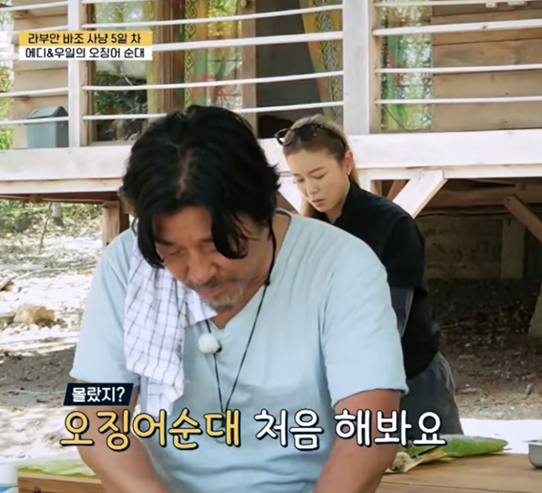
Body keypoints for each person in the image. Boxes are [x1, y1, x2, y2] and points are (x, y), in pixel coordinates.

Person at [70, 105, 409, 493]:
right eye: (172, 251)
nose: (199, 273)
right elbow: (92, 416)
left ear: (263, 209)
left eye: (217, 244)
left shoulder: (342, 265)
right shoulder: (127, 262)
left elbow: (369, 431)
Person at [277, 114, 463, 438]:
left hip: (411, 379)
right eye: (299, 179)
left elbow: (392, 318)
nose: (311, 189)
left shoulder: (392, 225)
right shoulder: (304, 235)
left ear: (346, 162)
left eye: (318, 175)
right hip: (339, 383)